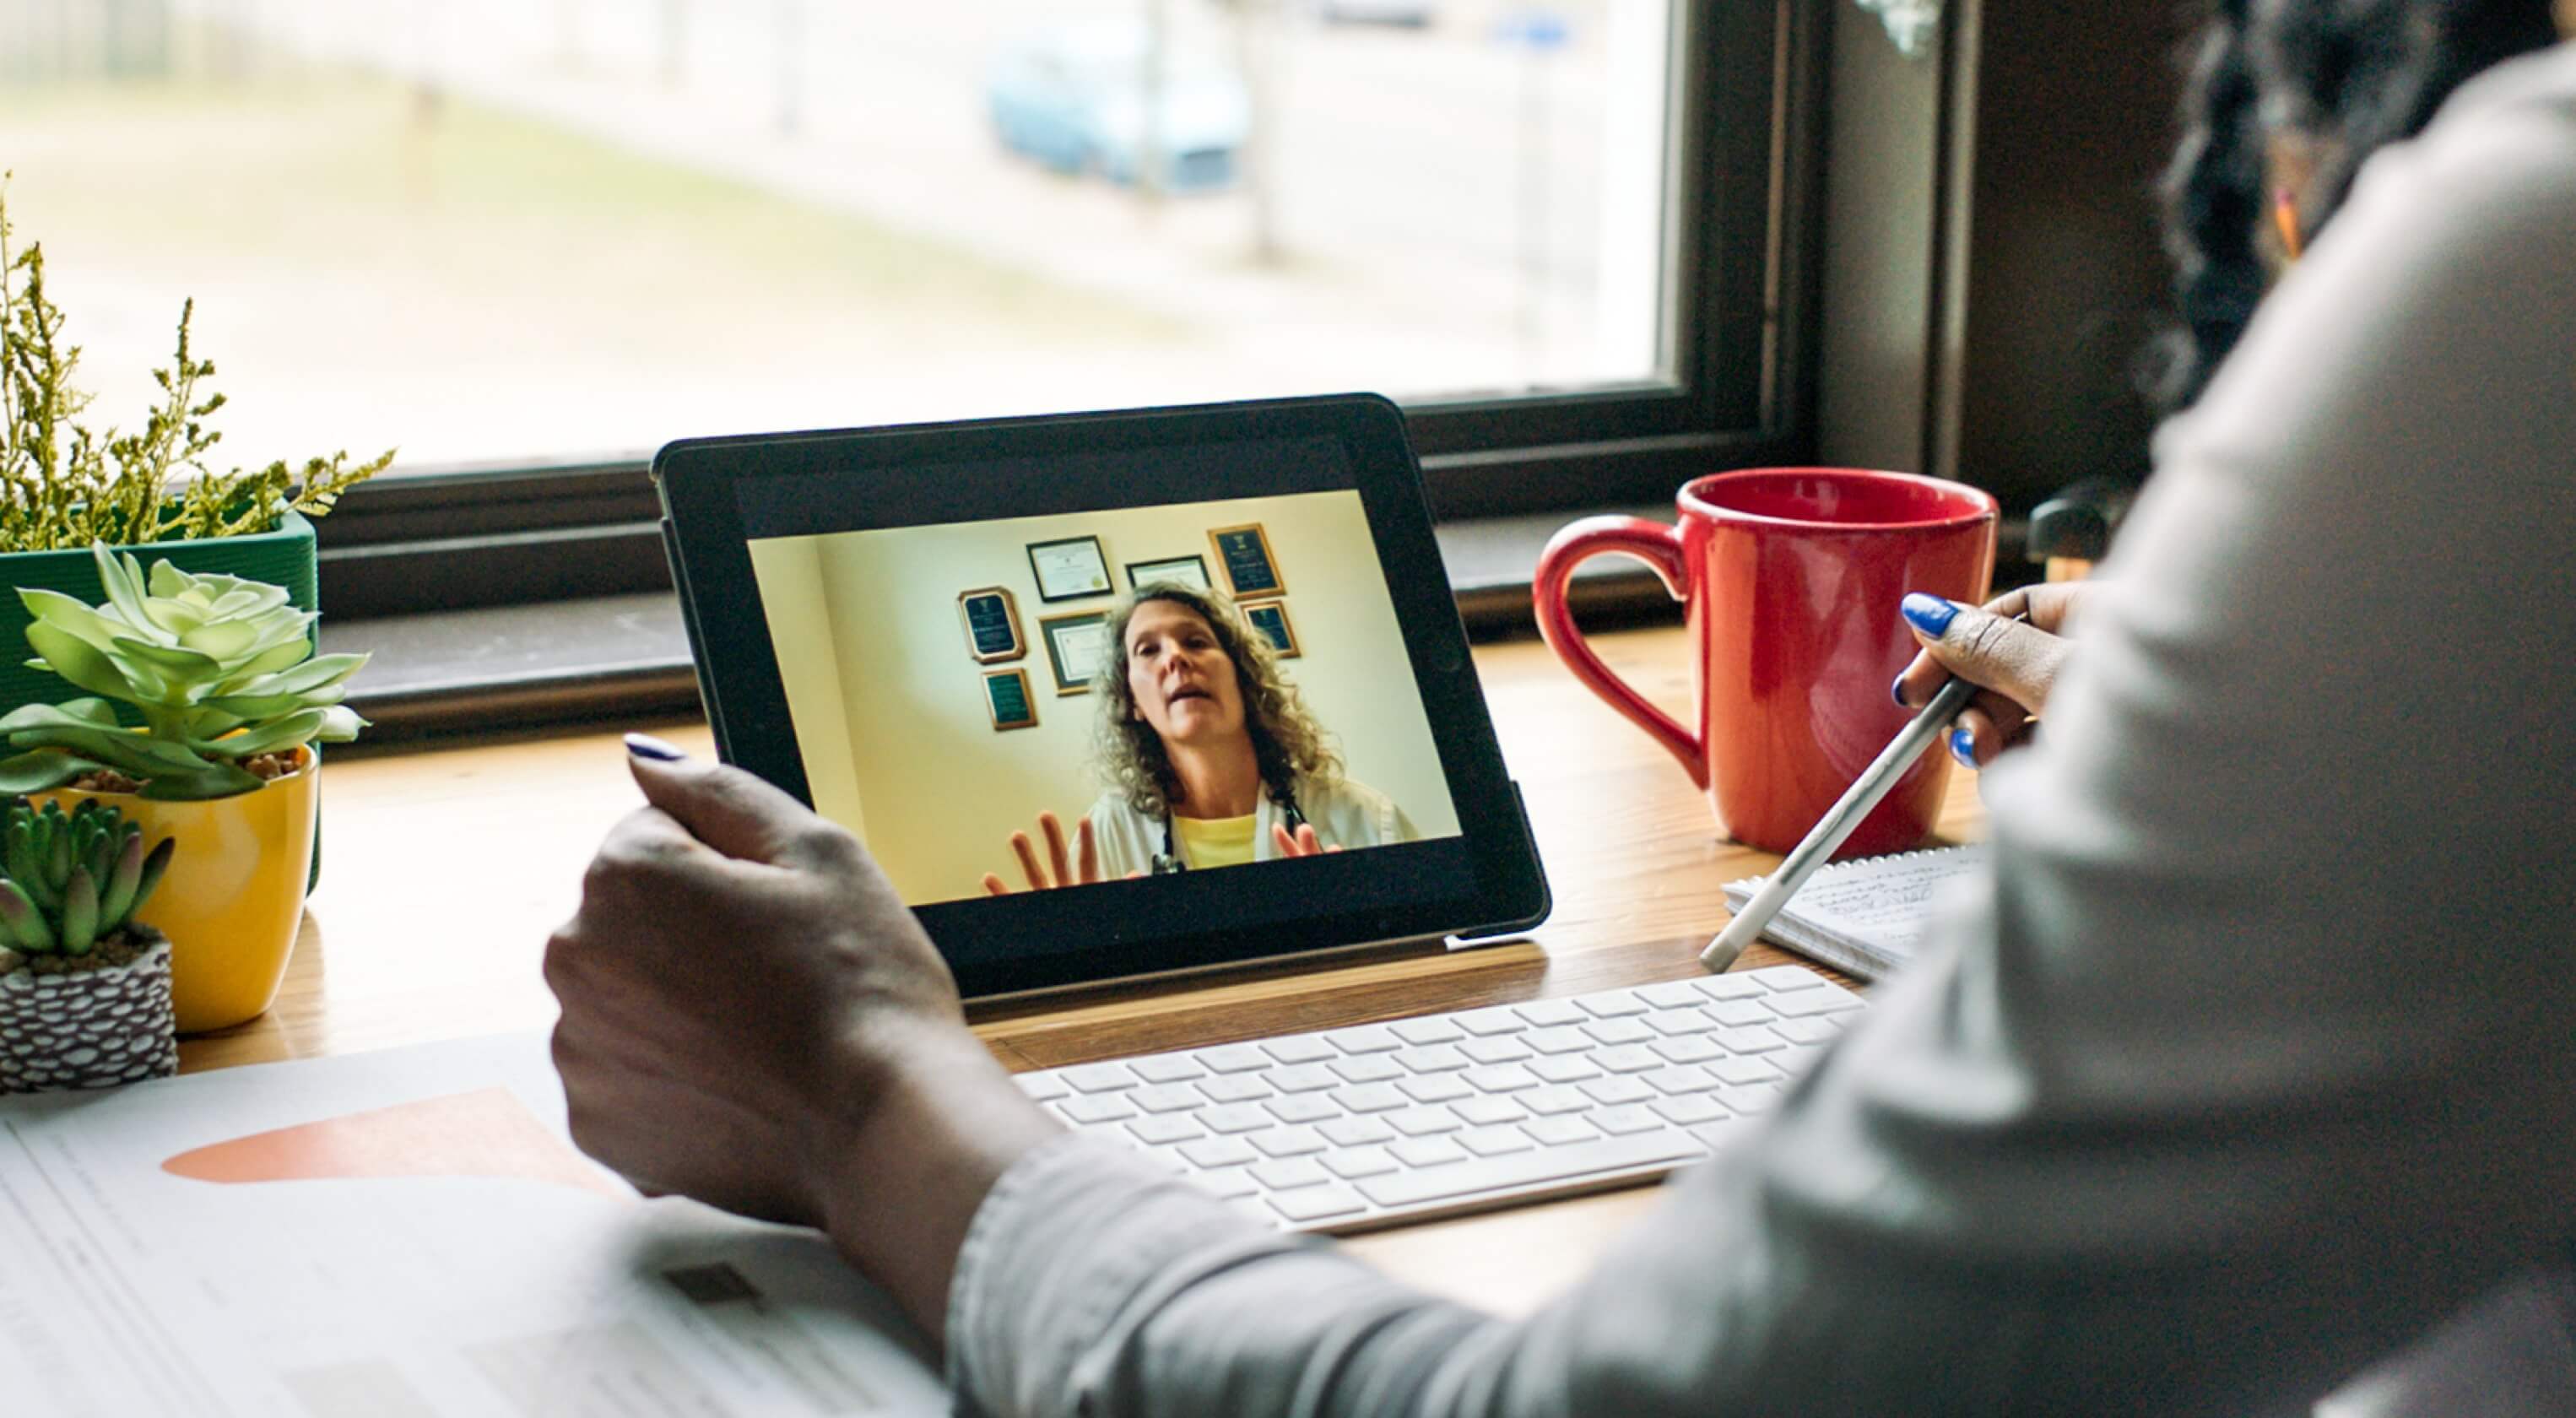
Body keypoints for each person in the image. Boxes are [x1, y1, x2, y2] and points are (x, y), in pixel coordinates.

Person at [544, 8, 2576, 1416]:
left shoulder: (2530, 253)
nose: (1172, 673)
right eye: (1139, 661)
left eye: (1199, 646)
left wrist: (856, 1090)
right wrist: (2275, 775)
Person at [977, 584, 1417, 894]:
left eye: (1195, 641)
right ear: (1132, 702)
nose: (1176, 659)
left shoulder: (1366, 818)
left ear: (1242, 678)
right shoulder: (1109, 832)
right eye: (1148, 650)